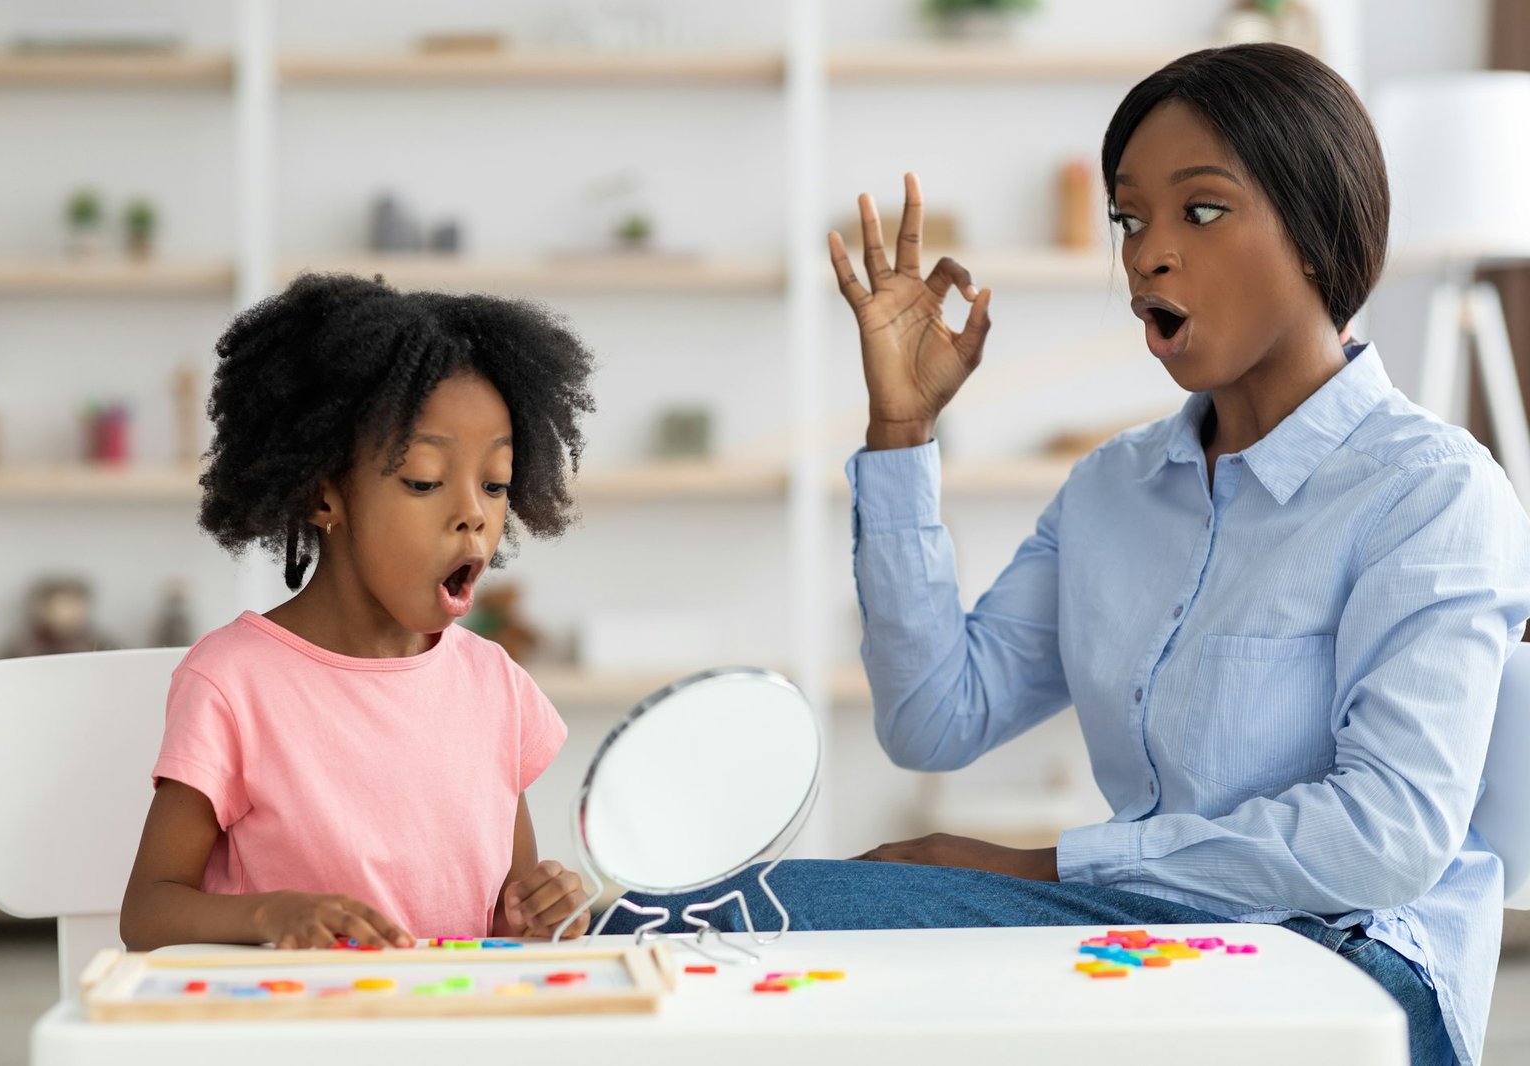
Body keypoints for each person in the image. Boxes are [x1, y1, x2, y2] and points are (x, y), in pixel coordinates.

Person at [605, 44, 1530, 1066]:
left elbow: (1385, 837)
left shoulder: (1430, 489)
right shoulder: (1111, 490)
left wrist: (1033, 868)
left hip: (1354, 963)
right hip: (1150, 934)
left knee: (774, 923)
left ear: (1314, 234)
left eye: (1201, 211)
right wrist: (900, 433)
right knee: (679, 922)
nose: (1146, 255)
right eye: (1130, 219)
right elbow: (932, 718)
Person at [120, 273, 597, 951]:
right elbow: (147, 914)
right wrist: (271, 914)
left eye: (495, 484)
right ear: (324, 497)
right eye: (425, 481)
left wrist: (533, 917)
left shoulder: (497, 687)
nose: (473, 514)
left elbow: (497, 923)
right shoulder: (233, 684)